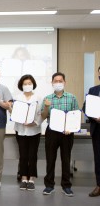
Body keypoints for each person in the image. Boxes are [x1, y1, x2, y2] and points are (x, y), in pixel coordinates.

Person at [41, 72, 79, 197]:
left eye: (60, 81)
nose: (58, 83)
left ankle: (66, 186)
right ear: (52, 83)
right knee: (50, 159)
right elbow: (43, 116)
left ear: (64, 82)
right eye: (55, 81)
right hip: (52, 131)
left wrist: (71, 128)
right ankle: (49, 185)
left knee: (66, 159)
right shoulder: (47, 98)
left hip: (67, 132)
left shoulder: (72, 97)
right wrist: (46, 107)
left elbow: (76, 116)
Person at [11, 74, 42, 191]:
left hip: (34, 130)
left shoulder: (39, 97)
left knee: (33, 155)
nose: (27, 85)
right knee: (23, 155)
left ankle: (32, 179)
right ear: (21, 85)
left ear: (33, 84)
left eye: (29, 83)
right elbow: (14, 113)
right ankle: (24, 178)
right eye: (25, 84)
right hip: (20, 130)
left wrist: (34, 122)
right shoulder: (17, 97)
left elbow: (41, 114)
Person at [82, 66, 100, 197]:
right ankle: (99, 185)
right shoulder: (93, 90)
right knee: (98, 159)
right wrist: (94, 117)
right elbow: (85, 107)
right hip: (97, 129)